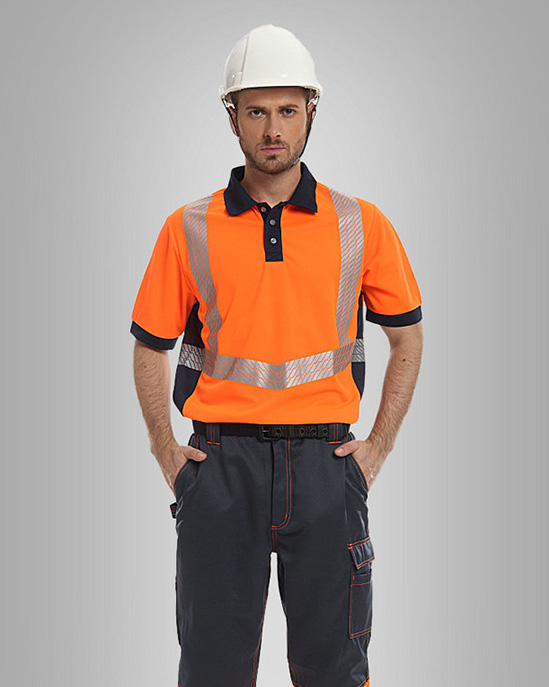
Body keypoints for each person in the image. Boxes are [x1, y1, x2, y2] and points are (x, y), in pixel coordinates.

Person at [131, 24, 423, 687]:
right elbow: (149, 346)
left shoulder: (359, 223)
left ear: (311, 113)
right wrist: (164, 450)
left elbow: (406, 337)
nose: (272, 129)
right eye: (256, 111)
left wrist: (377, 446)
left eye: (287, 110)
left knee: (334, 672)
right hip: (219, 467)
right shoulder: (188, 227)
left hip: (326, 465)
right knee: (212, 672)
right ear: (231, 117)